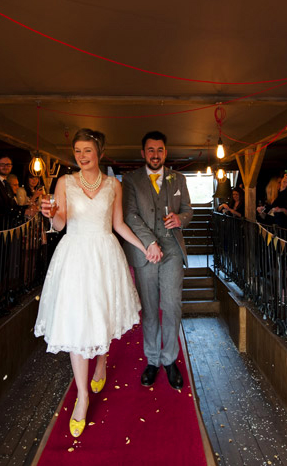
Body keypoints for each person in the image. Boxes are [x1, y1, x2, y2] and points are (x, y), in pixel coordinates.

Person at [34, 128, 147, 438]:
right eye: (78, 151)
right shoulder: (65, 182)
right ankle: (82, 397)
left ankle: (102, 361)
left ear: (99, 152)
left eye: (87, 150)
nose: (82, 156)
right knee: (76, 322)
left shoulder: (113, 185)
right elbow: (59, 224)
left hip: (104, 255)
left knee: (102, 311)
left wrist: (142, 247)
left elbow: (118, 224)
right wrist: (51, 214)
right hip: (74, 255)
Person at [122, 131, 193, 392]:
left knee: (172, 305)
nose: (155, 154)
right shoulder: (130, 180)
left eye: (160, 150)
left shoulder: (179, 178)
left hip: (173, 249)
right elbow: (128, 214)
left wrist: (181, 219)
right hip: (145, 251)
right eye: (150, 150)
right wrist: (149, 243)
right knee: (150, 308)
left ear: (166, 152)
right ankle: (152, 360)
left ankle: (169, 360)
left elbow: (188, 209)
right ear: (143, 153)